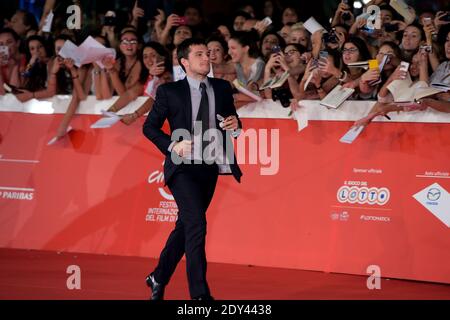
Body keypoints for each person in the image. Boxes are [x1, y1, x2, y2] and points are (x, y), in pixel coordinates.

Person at [142, 38, 242, 300]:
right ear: (184, 62)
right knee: (197, 224)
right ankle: (199, 295)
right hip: (182, 167)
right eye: (199, 54)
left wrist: (235, 124)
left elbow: (233, 120)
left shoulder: (221, 87)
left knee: (186, 226)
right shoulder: (170, 91)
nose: (206, 58)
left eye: (207, 54)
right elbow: (149, 128)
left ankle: (158, 276)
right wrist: (173, 145)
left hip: (209, 165)